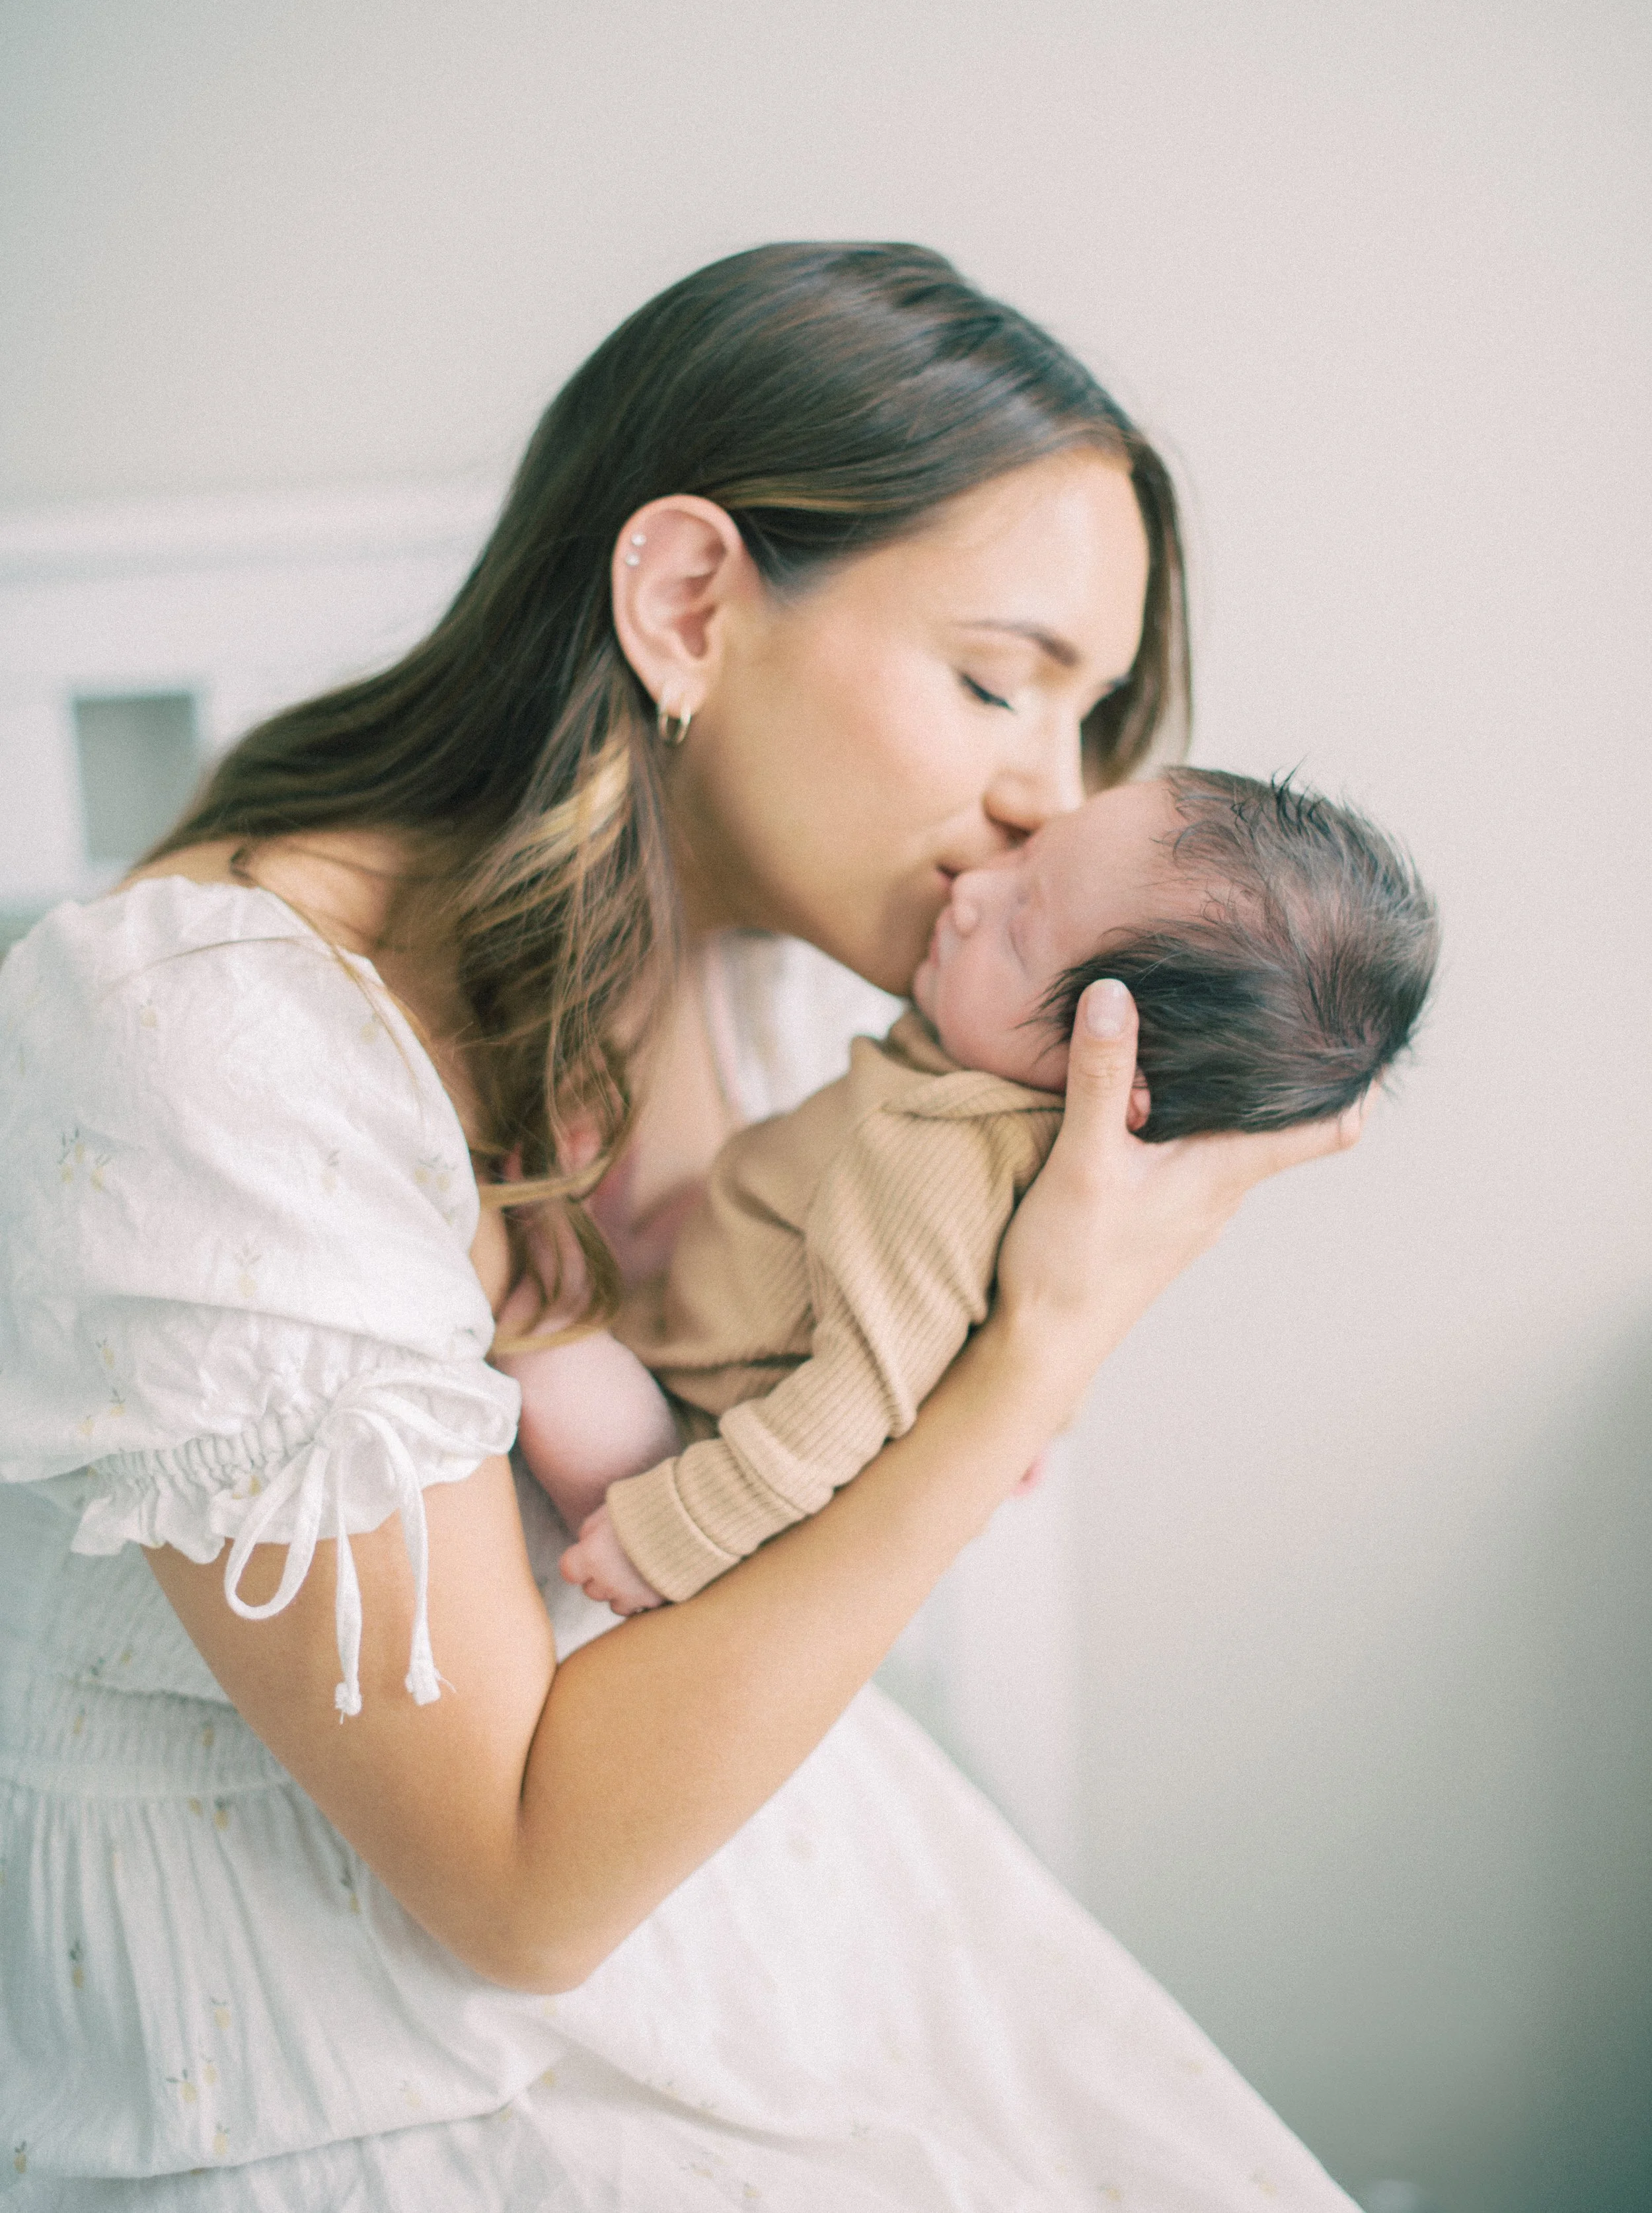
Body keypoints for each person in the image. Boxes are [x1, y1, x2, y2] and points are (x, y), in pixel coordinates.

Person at [0, 243, 1367, 2208]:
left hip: (740, 1900)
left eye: (1088, 732)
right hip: (342, 2060)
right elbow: (521, 1888)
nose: (1039, 808)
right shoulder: (210, 1038)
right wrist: (1029, 1356)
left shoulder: (734, 954)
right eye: (996, 679)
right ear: (686, 599)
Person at [527, 767, 1437, 1616]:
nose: (971, 893)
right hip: (716, 1304)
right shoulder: (975, 1079)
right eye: (1023, 860)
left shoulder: (947, 1165)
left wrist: (668, 1536)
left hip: (706, 1441)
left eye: (1017, 930)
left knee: (549, 1354)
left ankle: (554, 1305)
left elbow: (849, 1407)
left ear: (1105, 1070)